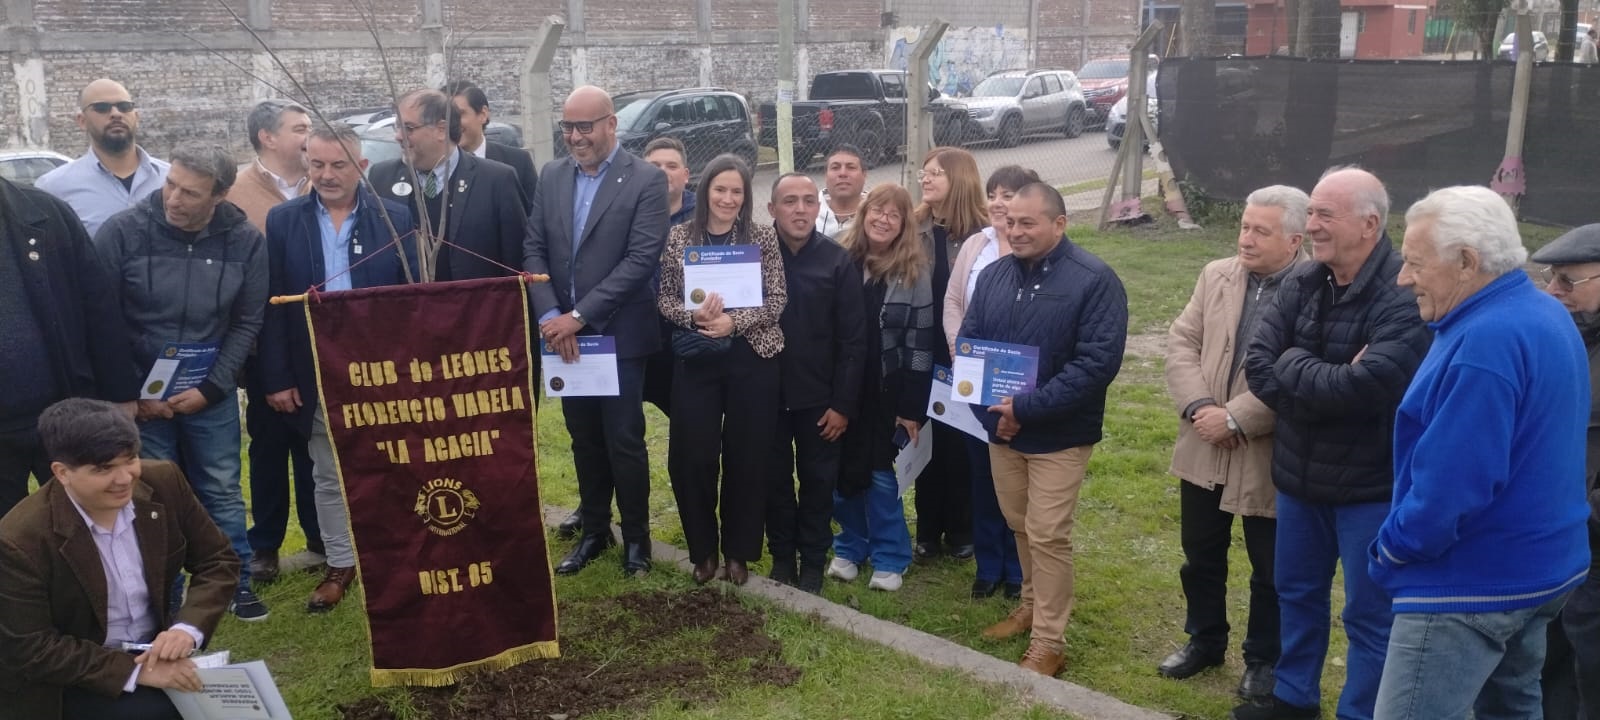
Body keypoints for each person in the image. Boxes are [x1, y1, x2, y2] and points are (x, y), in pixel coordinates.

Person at [1366, 185, 1589, 717]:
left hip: (1470, 583)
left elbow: (1454, 485)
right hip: (1543, 570)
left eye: (1416, 263)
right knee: (1511, 707)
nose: (1402, 278)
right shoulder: (1545, 314)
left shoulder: (1485, 341)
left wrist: (1393, 549)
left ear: (1466, 262)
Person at [1238, 167, 1431, 720]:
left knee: (1369, 614)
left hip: (1370, 486)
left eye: (1324, 214)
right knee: (1296, 594)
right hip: (1299, 479)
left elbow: (1372, 387)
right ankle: (1294, 699)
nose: (1311, 225)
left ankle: (1360, 711)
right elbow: (1260, 364)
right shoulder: (1303, 281)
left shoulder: (1401, 291)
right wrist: (1321, 378)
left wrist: (1295, 368)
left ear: (1369, 224)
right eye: (1311, 213)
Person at [95, 143, 270, 622]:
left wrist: (212, 390)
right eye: (170, 184)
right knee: (150, 494)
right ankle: (164, 592)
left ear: (218, 195)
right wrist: (133, 395)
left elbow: (246, 323)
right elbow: (103, 320)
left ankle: (236, 582)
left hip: (206, 393)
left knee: (220, 488)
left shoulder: (244, 241)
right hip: (139, 399)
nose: (174, 198)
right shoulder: (123, 233)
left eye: (190, 193)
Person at [960, 182, 1128, 677]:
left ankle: (1050, 642)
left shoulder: (1094, 280)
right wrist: (994, 414)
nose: (1015, 231)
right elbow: (970, 346)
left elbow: (1096, 364)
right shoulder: (992, 275)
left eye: (1027, 222)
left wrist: (1026, 410)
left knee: (1049, 533)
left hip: (1059, 434)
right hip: (1002, 431)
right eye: (1010, 222)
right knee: (1019, 524)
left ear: (1059, 224)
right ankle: (1030, 605)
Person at [260, 123, 418, 613]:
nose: (326, 175)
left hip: (378, 368)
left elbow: (409, 304)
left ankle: (391, 554)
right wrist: (279, 376)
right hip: (314, 367)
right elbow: (273, 306)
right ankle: (341, 562)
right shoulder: (284, 220)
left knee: (388, 465)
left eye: (338, 165)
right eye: (317, 164)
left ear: (362, 167)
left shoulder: (394, 216)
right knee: (327, 472)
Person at [0, 398, 239, 720]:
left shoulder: (163, 480)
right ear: (61, 472)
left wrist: (185, 629)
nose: (125, 478)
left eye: (131, 459)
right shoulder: (18, 539)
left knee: (235, 704)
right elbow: (32, 648)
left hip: (152, 651)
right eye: (103, 469)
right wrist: (134, 672)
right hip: (69, 679)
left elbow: (217, 560)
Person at [1161, 185, 1308, 699]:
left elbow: (1304, 373)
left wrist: (1238, 419)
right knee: (1200, 552)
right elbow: (1182, 342)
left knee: (1270, 568)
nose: (1246, 238)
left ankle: (1264, 659)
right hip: (1203, 442)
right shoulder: (1215, 275)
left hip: (1268, 454)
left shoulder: (1314, 290)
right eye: (1245, 226)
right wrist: (1201, 409)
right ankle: (1204, 640)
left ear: (1295, 240)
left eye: (1261, 231)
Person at [523, 85, 669, 577]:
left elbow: (640, 259)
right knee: (582, 437)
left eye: (585, 126)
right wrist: (550, 319)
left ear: (611, 124)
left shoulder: (645, 179)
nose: (575, 136)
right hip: (562, 337)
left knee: (623, 440)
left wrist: (579, 317)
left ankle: (637, 541)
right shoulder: (553, 175)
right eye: (567, 126)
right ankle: (594, 533)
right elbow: (534, 251)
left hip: (618, 336)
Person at [657, 154, 787, 586]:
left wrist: (735, 321)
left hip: (750, 354)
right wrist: (696, 318)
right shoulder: (680, 236)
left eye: (737, 192)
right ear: (706, 191)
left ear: (747, 197)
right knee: (692, 455)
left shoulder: (761, 238)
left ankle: (739, 553)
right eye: (720, 190)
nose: (728, 199)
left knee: (747, 455)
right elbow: (667, 299)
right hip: (698, 356)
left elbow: (776, 299)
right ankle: (703, 551)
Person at [0, 174, 140, 520]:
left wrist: (120, 393)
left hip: (65, 410)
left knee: (85, 523)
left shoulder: (45, 211)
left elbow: (98, 308)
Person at [227, 98, 321, 584]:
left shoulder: (321, 183)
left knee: (314, 449)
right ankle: (263, 545)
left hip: (318, 351)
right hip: (263, 347)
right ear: (268, 137)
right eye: (300, 128)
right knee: (267, 450)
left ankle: (320, 540)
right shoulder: (237, 194)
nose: (309, 136)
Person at [829, 183, 936, 593]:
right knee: (841, 472)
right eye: (877, 210)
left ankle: (891, 556)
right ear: (863, 212)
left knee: (879, 475)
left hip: (885, 389)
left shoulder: (914, 270)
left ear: (904, 223)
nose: (884, 219)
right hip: (841, 384)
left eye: (894, 214)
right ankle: (850, 546)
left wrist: (911, 407)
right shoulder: (841, 259)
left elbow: (921, 344)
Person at [765, 171, 866, 594]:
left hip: (820, 400)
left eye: (809, 201)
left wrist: (842, 404)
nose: (801, 210)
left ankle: (812, 562)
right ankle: (782, 558)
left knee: (818, 482)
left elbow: (854, 339)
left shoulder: (836, 260)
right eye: (790, 201)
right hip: (765, 397)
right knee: (773, 481)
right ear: (772, 209)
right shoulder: (753, 255)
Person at [942, 164, 1039, 600]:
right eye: (994, 195)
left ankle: (1019, 571)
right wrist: (960, 352)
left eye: (1010, 195)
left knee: (1017, 478)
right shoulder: (975, 245)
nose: (1000, 204)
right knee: (981, 472)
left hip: (1021, 381)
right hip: (974, 374)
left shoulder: (1032, 249)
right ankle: (989, 566)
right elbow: (953, 301)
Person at [1528, 224, 1600, 720]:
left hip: (1591, 533)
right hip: (1559, 536)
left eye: (1568, 281)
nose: (1553, 291)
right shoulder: (1567, 336)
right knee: (1549, 664)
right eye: (1551, 278)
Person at [912, 146, 987, 561]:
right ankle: (927, 530)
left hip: (965, 352)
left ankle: (963, 529)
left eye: (936, 173)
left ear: (959, 179)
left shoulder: (985, 233)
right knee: (925, 439)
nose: (925, 179)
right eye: (924, 173)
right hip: (924, 350)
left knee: (961, 441)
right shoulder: (916, 226)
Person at [371, 88, 527, 282]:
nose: (398, 136)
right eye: (398, 127)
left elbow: (516, 264)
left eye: (408, 128)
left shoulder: (496, 180)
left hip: (474, 308)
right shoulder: (382, 177)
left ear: (441, 130)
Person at [37, 79, 169, 237]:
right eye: (102, 108)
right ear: (82, 121)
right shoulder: (53, 188)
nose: (116, 114)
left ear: (136, 117)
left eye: (124, 107)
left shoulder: (170, 179)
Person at [441, 80, 538, 214]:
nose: (451, 124)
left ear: (483, 114)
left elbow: (533, 218)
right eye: (445, 117)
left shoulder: (517, 162)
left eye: (459, 115)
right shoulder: (435, 167)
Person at [227, 99, 311, 230]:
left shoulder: (326, 184)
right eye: (301, 130)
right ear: (268, 139)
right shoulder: (232, 194)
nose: (312, 136)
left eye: (311, 129)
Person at [816, 144, 867, 237]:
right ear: (825, 175)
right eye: (835, 167)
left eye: (851, 167)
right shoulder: (809, 212)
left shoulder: (878, 216)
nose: (842, 173)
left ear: (864, 175)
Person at [645, 136, 696, 226]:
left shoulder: (705, 213)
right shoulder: (628, 213)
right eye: (654, 166)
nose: (663, 172)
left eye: (672, 166)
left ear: (686, 175)